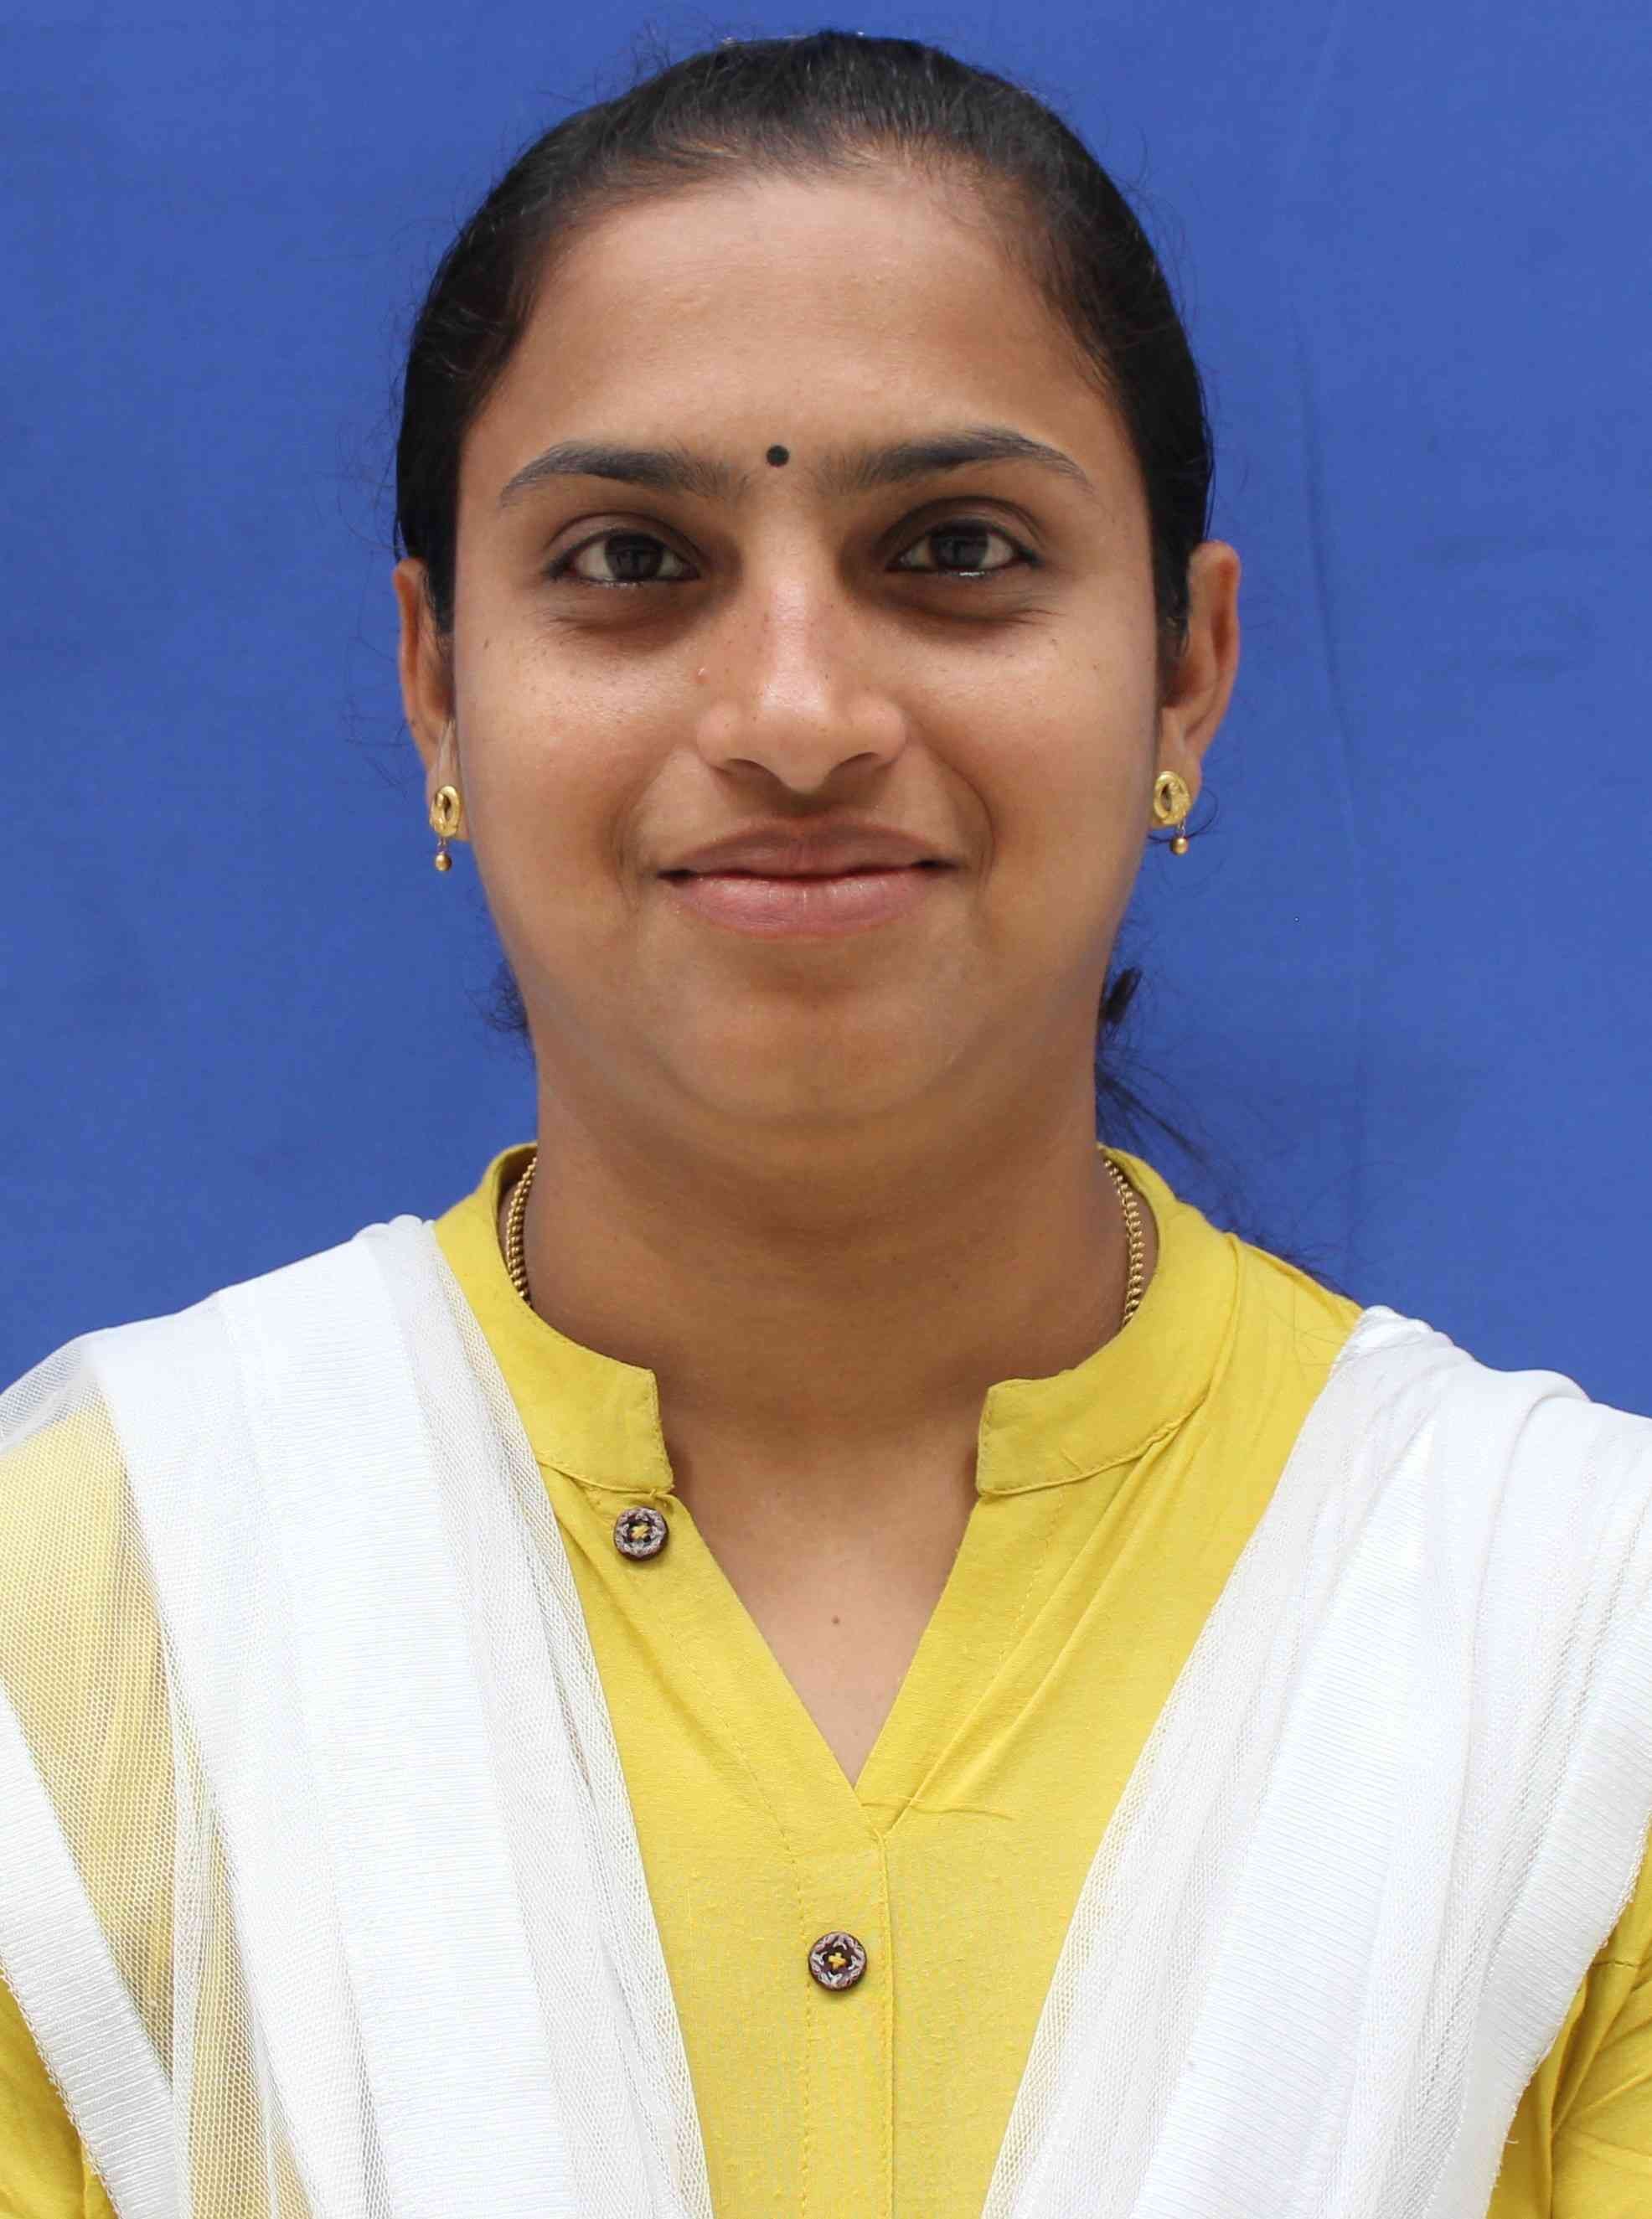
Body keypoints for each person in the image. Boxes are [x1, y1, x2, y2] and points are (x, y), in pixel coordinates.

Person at [3, 28, 1651, 2218]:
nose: (794, 714)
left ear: (1185, 667)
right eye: (629, 560)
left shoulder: (1574, 1655)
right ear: (438, 685)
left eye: (955, 547)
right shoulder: (88, 1625)